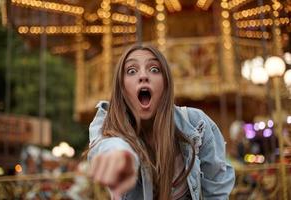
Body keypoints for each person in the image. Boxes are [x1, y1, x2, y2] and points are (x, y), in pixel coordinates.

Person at [87, 44, 235, 200]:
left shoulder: (197, 124)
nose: (143, 76)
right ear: (121, 87)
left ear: (165, 84)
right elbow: (103, 144)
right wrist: (120, 154)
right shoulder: (108, 120)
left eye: (154, 69)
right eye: (131, 71)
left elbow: (216, 191)